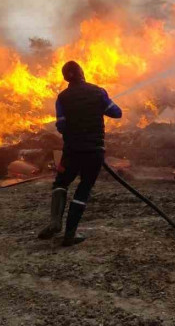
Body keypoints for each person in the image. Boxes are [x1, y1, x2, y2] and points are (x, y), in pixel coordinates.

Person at [38, 60, 122, 246]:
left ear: (65, 78)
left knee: (61, 182)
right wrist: (102, 106)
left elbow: (61, 125)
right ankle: (70, 234)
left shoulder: (63, 97)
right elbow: (117, 113)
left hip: (72, 152)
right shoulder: (98, 92)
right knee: (83, 189)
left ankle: (55, 222)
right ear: (82, 73)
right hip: (95, 152)